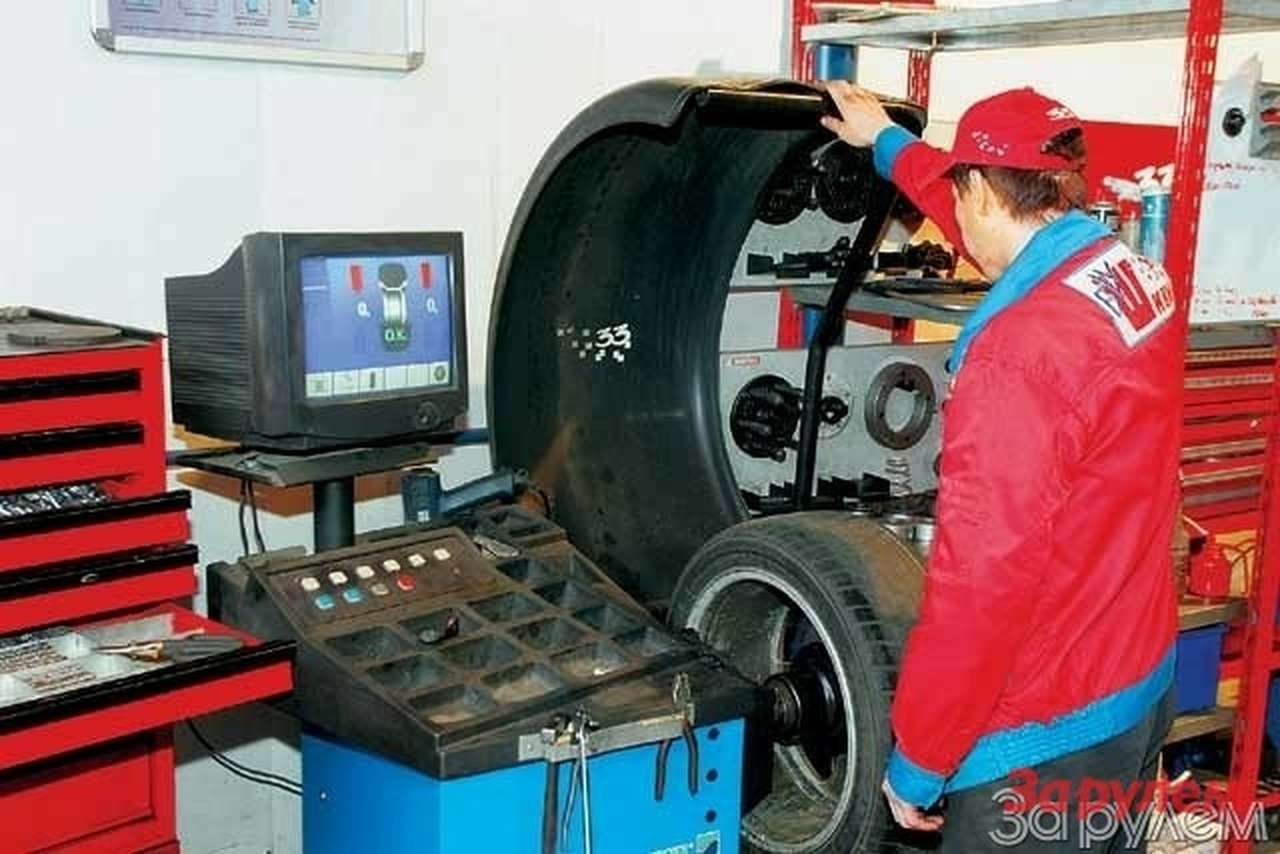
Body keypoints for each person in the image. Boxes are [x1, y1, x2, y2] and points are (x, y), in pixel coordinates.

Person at [822, 82, 1182, 851]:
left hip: (1045, 735)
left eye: (963, 190)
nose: (955, 213)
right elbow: (970, 215)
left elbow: (981, 590)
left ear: (985, 189)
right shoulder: (1124, 272)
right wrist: (886, 142)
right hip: (1135, 683)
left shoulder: (1018, 357)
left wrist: (920, 757)